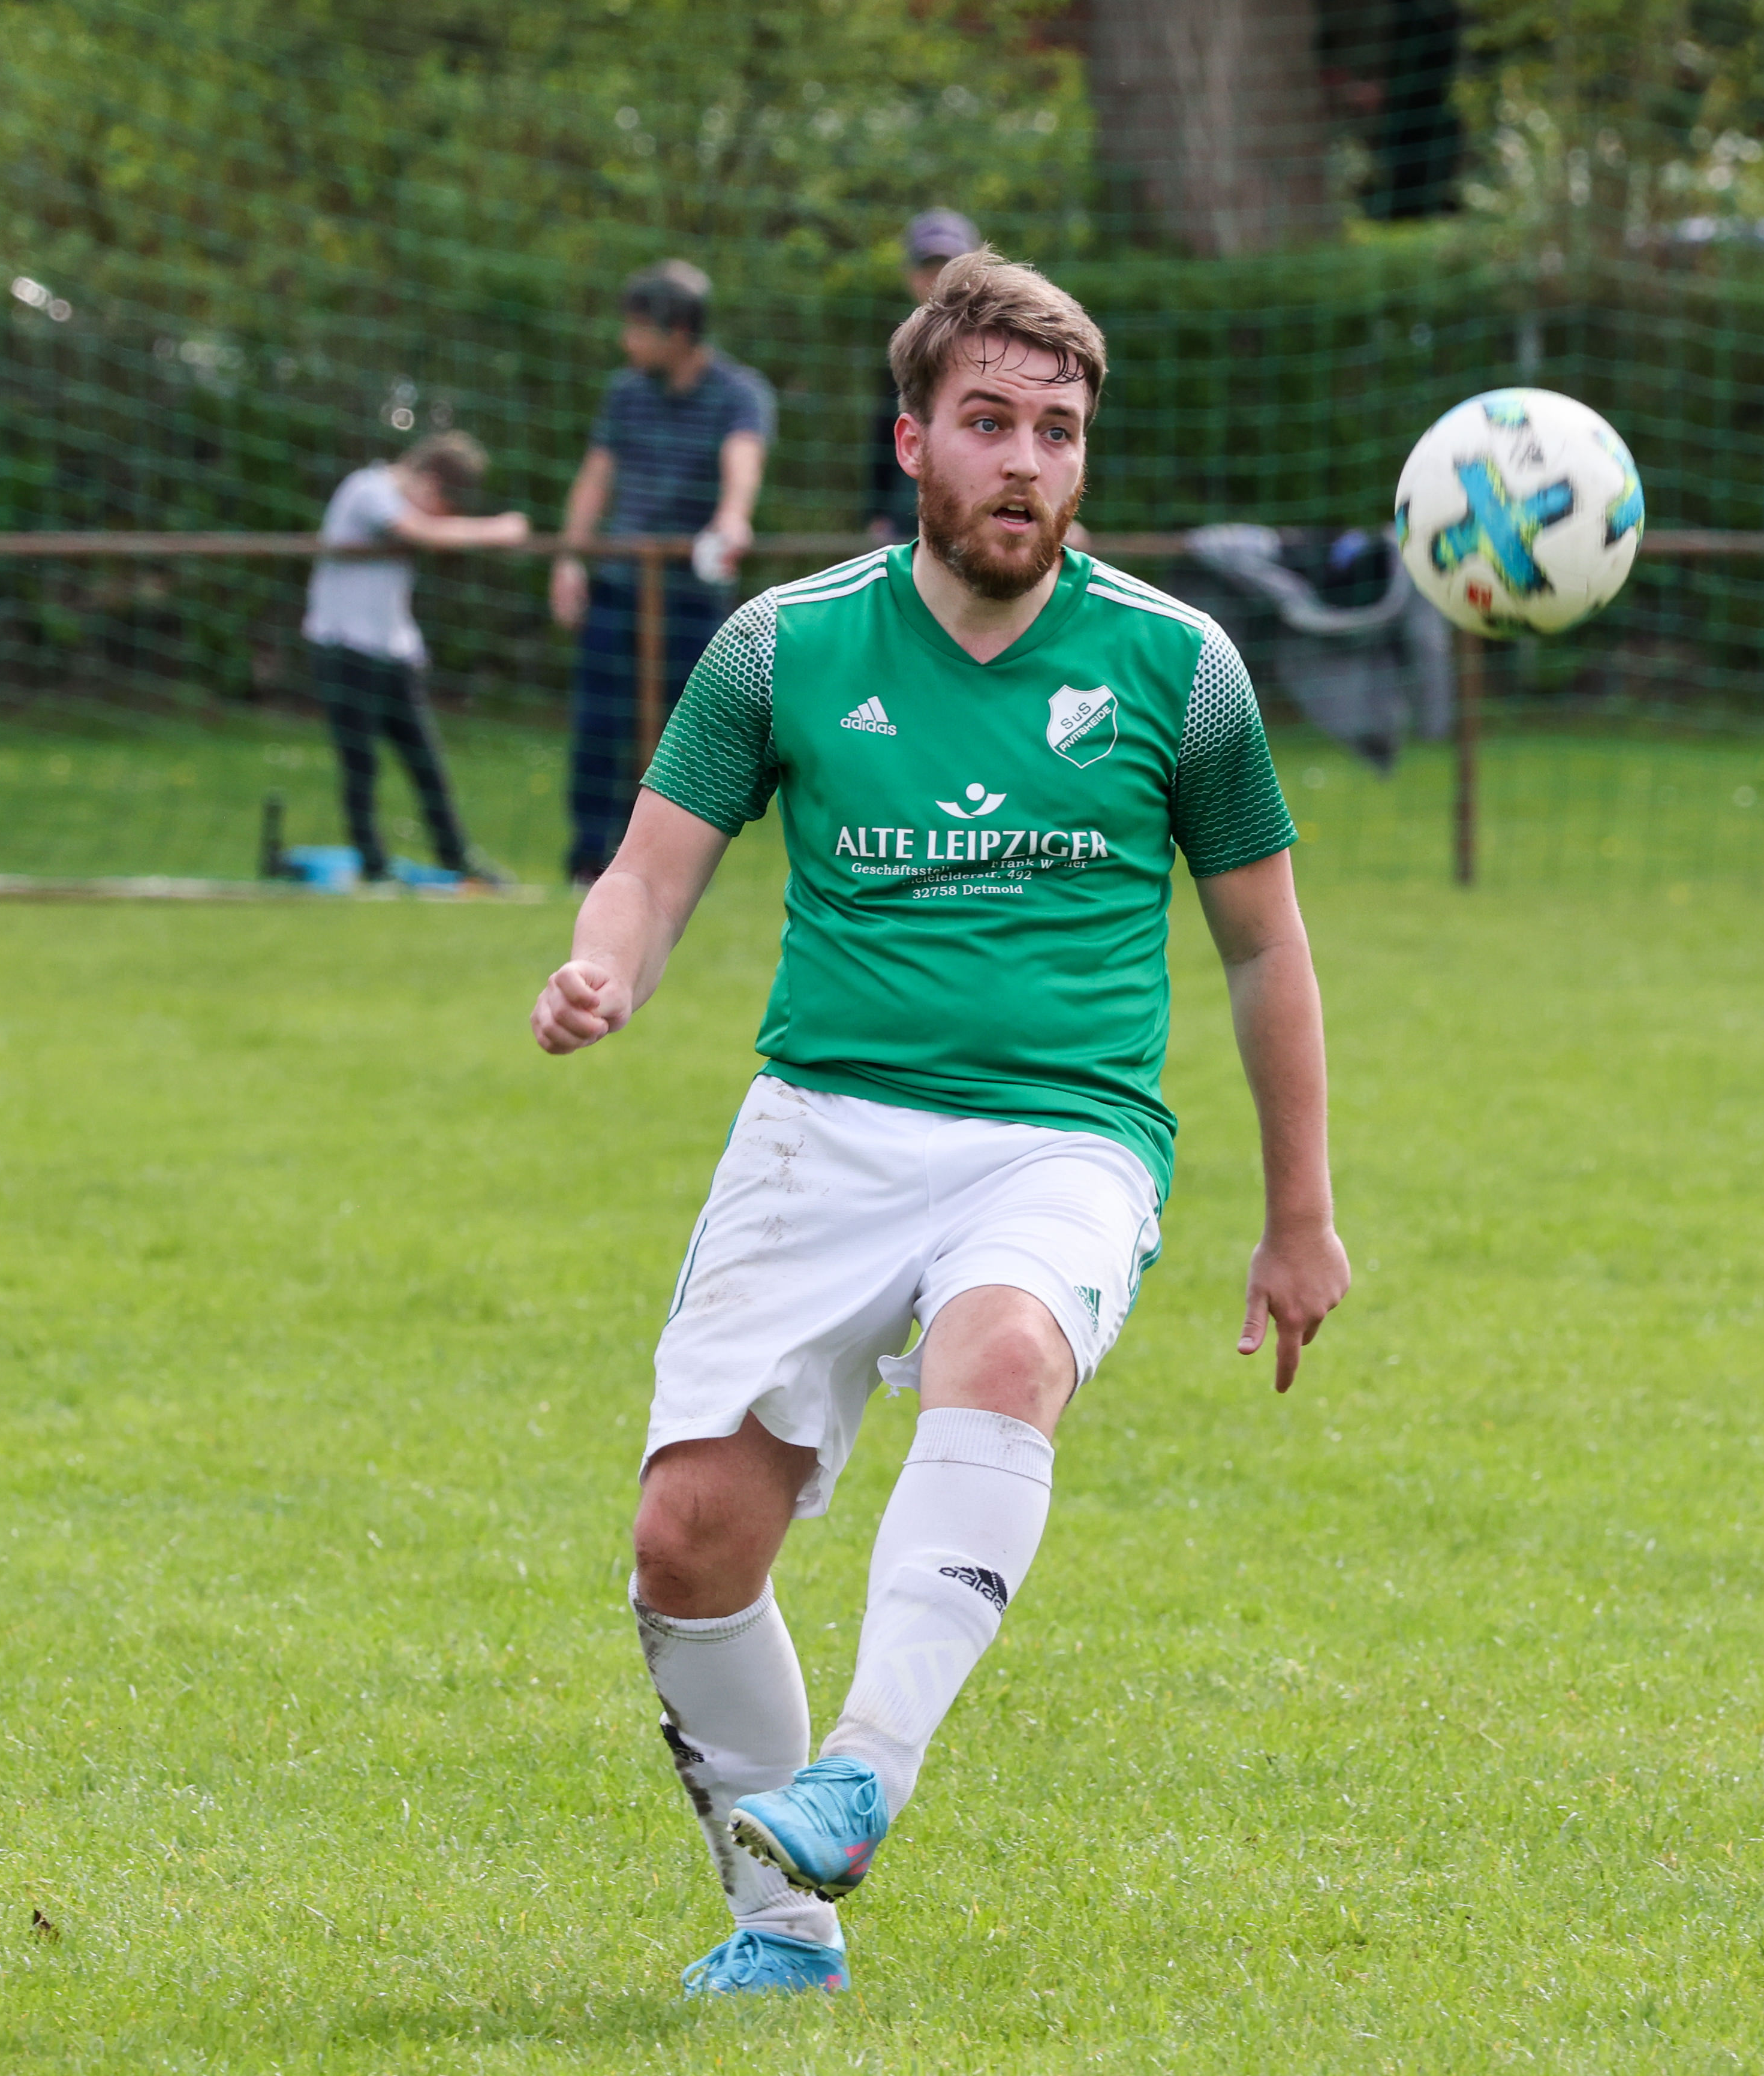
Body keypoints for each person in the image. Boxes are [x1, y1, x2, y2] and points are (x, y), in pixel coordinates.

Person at [526, 251, 1348, 2001]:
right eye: (990, 423)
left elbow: (1265, 944)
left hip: (1064, 1132)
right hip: (821, 1124)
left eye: (1058, 430)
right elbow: (651, 872)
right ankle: (784, 1929)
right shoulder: (785, 645)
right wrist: (602, 969)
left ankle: (864, 1770)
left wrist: (1301, 1212)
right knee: (688, 1539)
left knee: (1005, 1351)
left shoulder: (1179, 664)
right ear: (912, 440)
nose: (1027, 462)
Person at [549, 261, 776, 885]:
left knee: (692, 737)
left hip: (693, 595)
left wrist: (732, 518)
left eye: (636, 328)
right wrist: (570, 557)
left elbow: (743, 460)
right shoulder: (625, 392)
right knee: (599, 724)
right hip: (620, 585)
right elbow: (596, 475)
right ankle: (587, 859)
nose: (626, 341)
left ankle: (670, 867)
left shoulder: (739, 392)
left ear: (675, 331)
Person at [301, 431, 529, 882]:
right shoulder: (367, 490)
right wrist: (497, 530)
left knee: (426, 762)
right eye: (445, 505)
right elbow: (422, 532)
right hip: (343, 648)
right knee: (360, 763)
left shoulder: (398, 499)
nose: (442, 517)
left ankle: (455, 857)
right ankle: (373, 865)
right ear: (428, 481)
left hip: (393, 652)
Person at [863, 209, 979, 544]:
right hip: (910, 510)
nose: (938, 279)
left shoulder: (1002, 341)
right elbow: (885, 431)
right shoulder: (904, 345)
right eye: (929, 268)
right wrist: (877, 514)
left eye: (949, 267)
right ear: (910, 275)